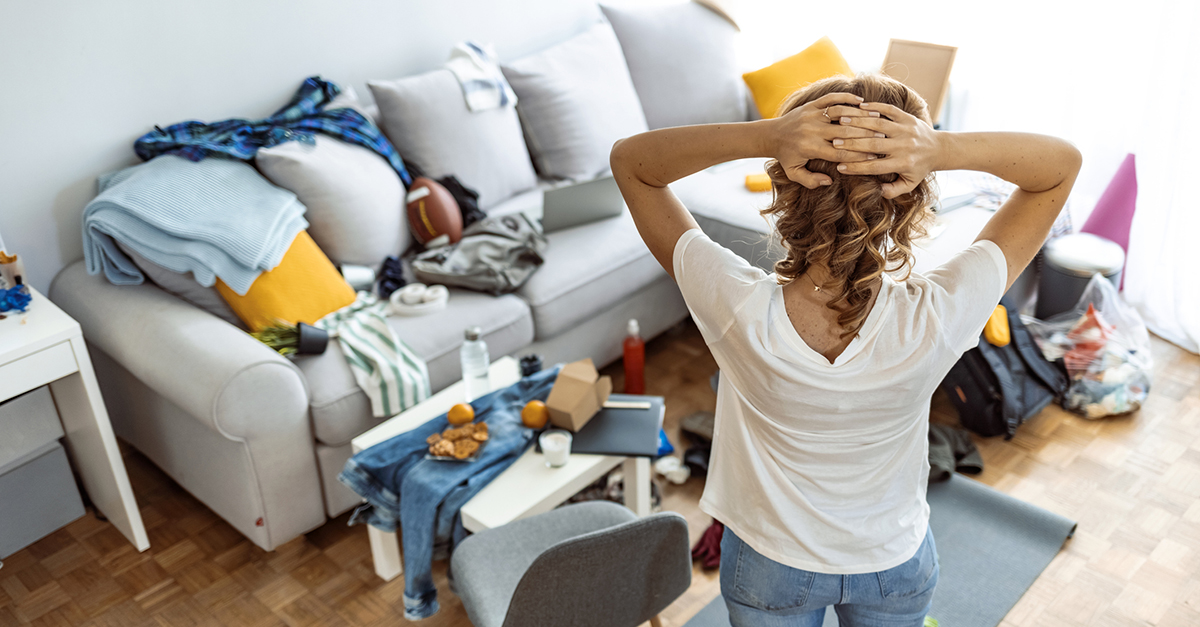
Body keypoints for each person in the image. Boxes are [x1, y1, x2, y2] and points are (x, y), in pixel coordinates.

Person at [610, 74, 1081, 626]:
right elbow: (1059, 168)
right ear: (911, 197)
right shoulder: (939, 314)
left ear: (787, 187)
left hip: (769, 564)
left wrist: (769, 135)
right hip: (893, 564)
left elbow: (631, 163)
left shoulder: (733, 303)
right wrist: (941, 148)